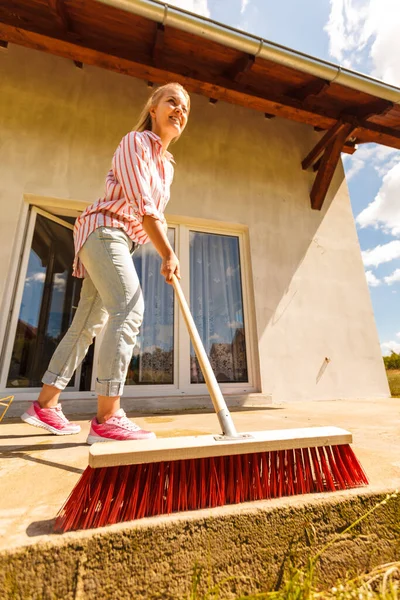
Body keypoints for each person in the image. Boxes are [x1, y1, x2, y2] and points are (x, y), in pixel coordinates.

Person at [21, 82, 190, 444]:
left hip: (121, 241)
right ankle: (108, 415)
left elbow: (152, 218)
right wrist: (168, 252)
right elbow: (142, 204)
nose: (179, 110)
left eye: (185, 108)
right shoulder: (135, 142)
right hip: (103, 231)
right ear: (153, 109)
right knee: (129, 309)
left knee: (87, 324)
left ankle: (45, 405)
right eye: (172, 102)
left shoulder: (168, 168)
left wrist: (163, 252)